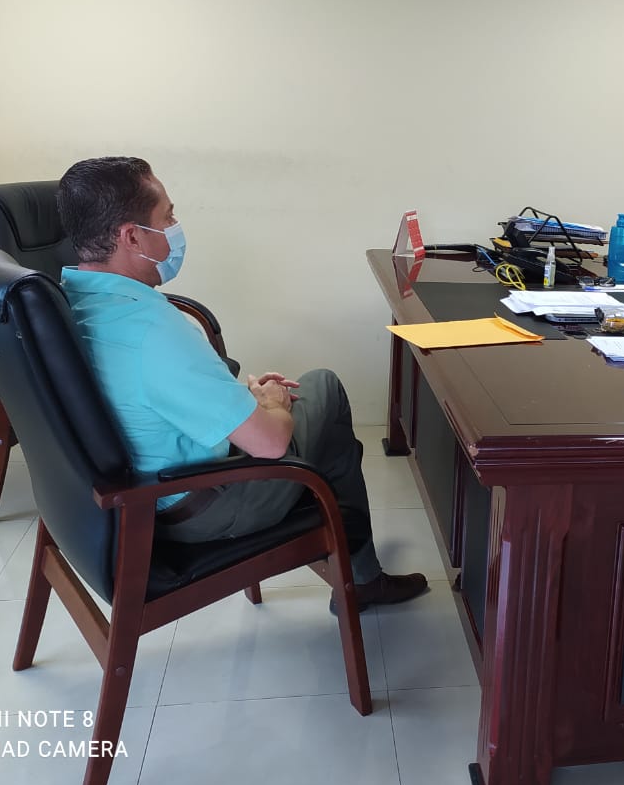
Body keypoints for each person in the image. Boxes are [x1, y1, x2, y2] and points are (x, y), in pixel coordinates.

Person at [55, 156, 427, 611]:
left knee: (323, 434)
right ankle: (360, 575)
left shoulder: (70, 300)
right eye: (167, 217)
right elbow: (270, 443)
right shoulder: (152, 329)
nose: (175, 228)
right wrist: (272, 404)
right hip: (198, 507)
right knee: (323, 390)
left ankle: (356, 568)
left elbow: (149, 396)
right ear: (131, 236)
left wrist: (243, 399)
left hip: (135, 492)